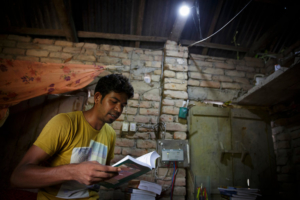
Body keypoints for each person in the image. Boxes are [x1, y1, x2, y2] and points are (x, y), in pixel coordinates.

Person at [10, 74, 134, 200]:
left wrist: (118, 174)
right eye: (114, 102)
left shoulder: (110, 134)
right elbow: (18, 177)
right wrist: (73, 171)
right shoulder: (65, 123)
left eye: (123, 105)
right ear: (97, 97)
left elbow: (99, 176)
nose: (118, 109)